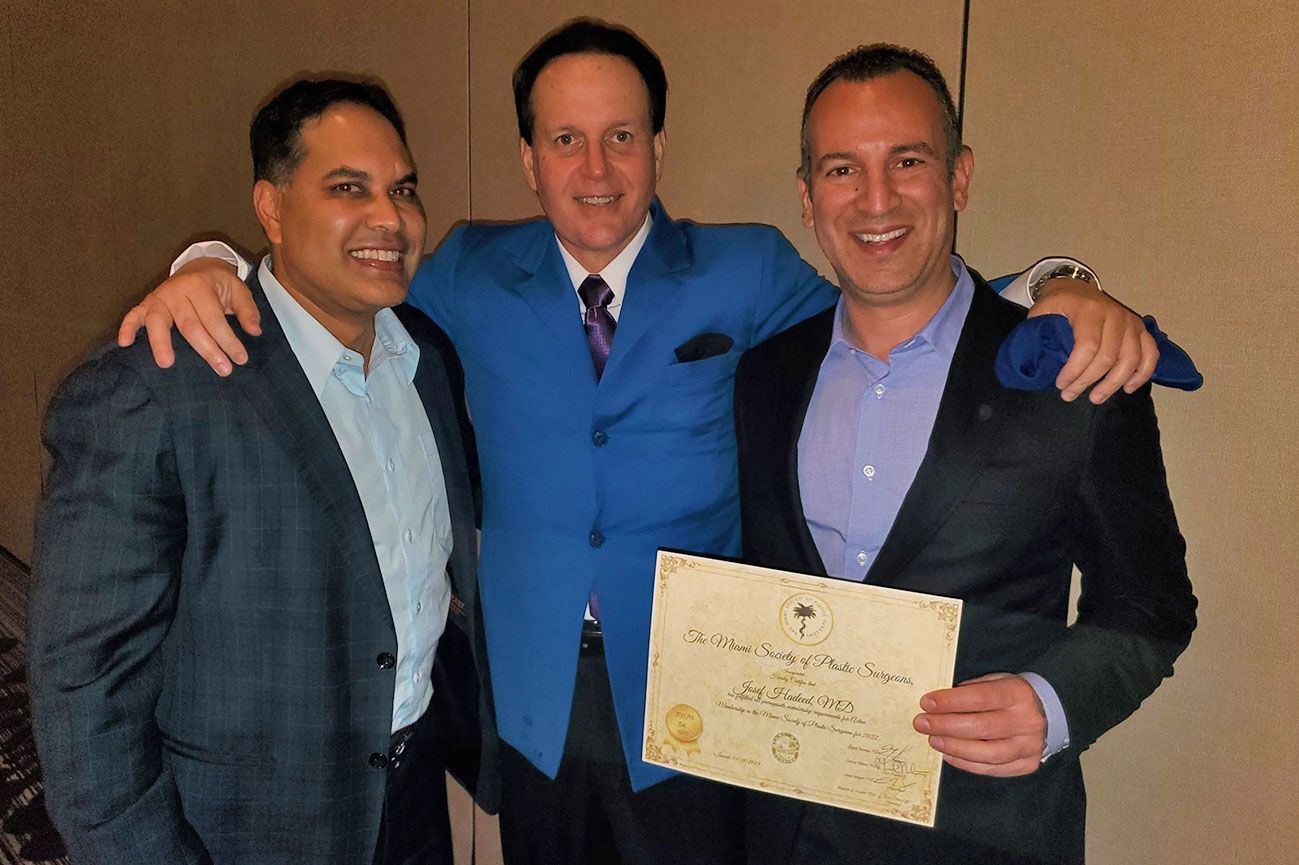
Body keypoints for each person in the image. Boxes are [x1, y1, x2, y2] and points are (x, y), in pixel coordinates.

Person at [114, 20, 1162, 865]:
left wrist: (1054, 284)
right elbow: (337, 268)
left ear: (659, 149)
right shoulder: (466, 269)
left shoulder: (746, 270)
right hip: (530, 703)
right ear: (528, 159)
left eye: (622, 136)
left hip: (700, 704)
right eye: (564, 139)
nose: (596, 167)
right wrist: (213, 259)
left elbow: (897, 301)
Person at [734, 44, 1197, 865]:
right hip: (784, 830)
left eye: (907, 160)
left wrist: (1052, 704)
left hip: (983, 833)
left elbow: (1150, 609)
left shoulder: (1073, 372)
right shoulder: (761, 377)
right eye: (842, 169)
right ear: (806, 197)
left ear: (958, 176)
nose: (876, 198)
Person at [28, 78, 497, 865]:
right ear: (271, 209)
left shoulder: (425, 358)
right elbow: (84, 691)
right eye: (348, 187)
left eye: (403, 188)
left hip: (412, 798)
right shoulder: (159, 387)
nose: (390, 217)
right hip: (249, 828)